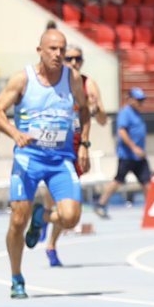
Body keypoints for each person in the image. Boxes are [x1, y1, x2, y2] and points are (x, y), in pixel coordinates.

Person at [0, 28, 90, 298]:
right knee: (16, 221)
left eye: (62, 50)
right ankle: (16, 276)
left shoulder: (73, 78)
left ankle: (41, 217)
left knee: (71, 218)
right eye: (53, 49)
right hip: (29, 158)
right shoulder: (23, 79)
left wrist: (85, 145)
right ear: (40, 51)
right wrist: (15, 133)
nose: (59, 55)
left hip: (60, 159)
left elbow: (85, 109)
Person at [37, 46, 108, 266]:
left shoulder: (88, 84)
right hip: (53, 147)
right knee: (52, 201)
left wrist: (95, 109)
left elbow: (103, 120)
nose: (75, 63)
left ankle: (50, 243)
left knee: (65, 205)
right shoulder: (52, 82)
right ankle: (43, 216)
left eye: (79, 59)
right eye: (70, 59)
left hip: (76, 149)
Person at [94, 88, 151, 219]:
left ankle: (151, 209)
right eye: (138, 100)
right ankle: (101, 203)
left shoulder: (137, 113)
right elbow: (122, 132)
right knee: (118, 180)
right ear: (130, 99)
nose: (141, 103)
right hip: (128, 155)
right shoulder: (125, 113)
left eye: (142, 100)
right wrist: (134, 148)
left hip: (140, 156)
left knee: (147, 183)